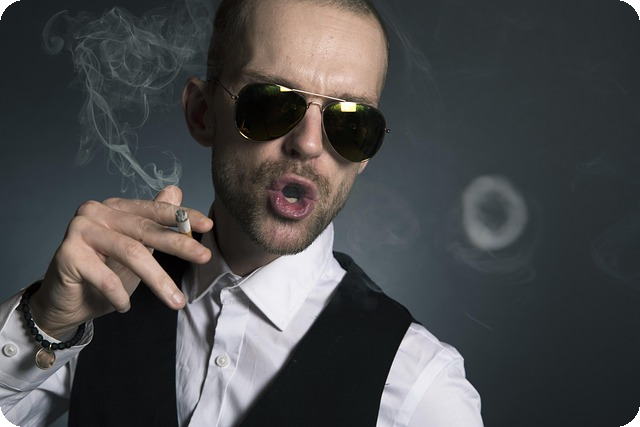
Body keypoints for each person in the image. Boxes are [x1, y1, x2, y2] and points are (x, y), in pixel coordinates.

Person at [0, 0, 483, 425]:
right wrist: (46, 321)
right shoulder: (101, 299)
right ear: (202, 113)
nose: (309, 145)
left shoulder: (420, 388)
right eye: (271, 103)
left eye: (351, 121)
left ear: (365, 153)